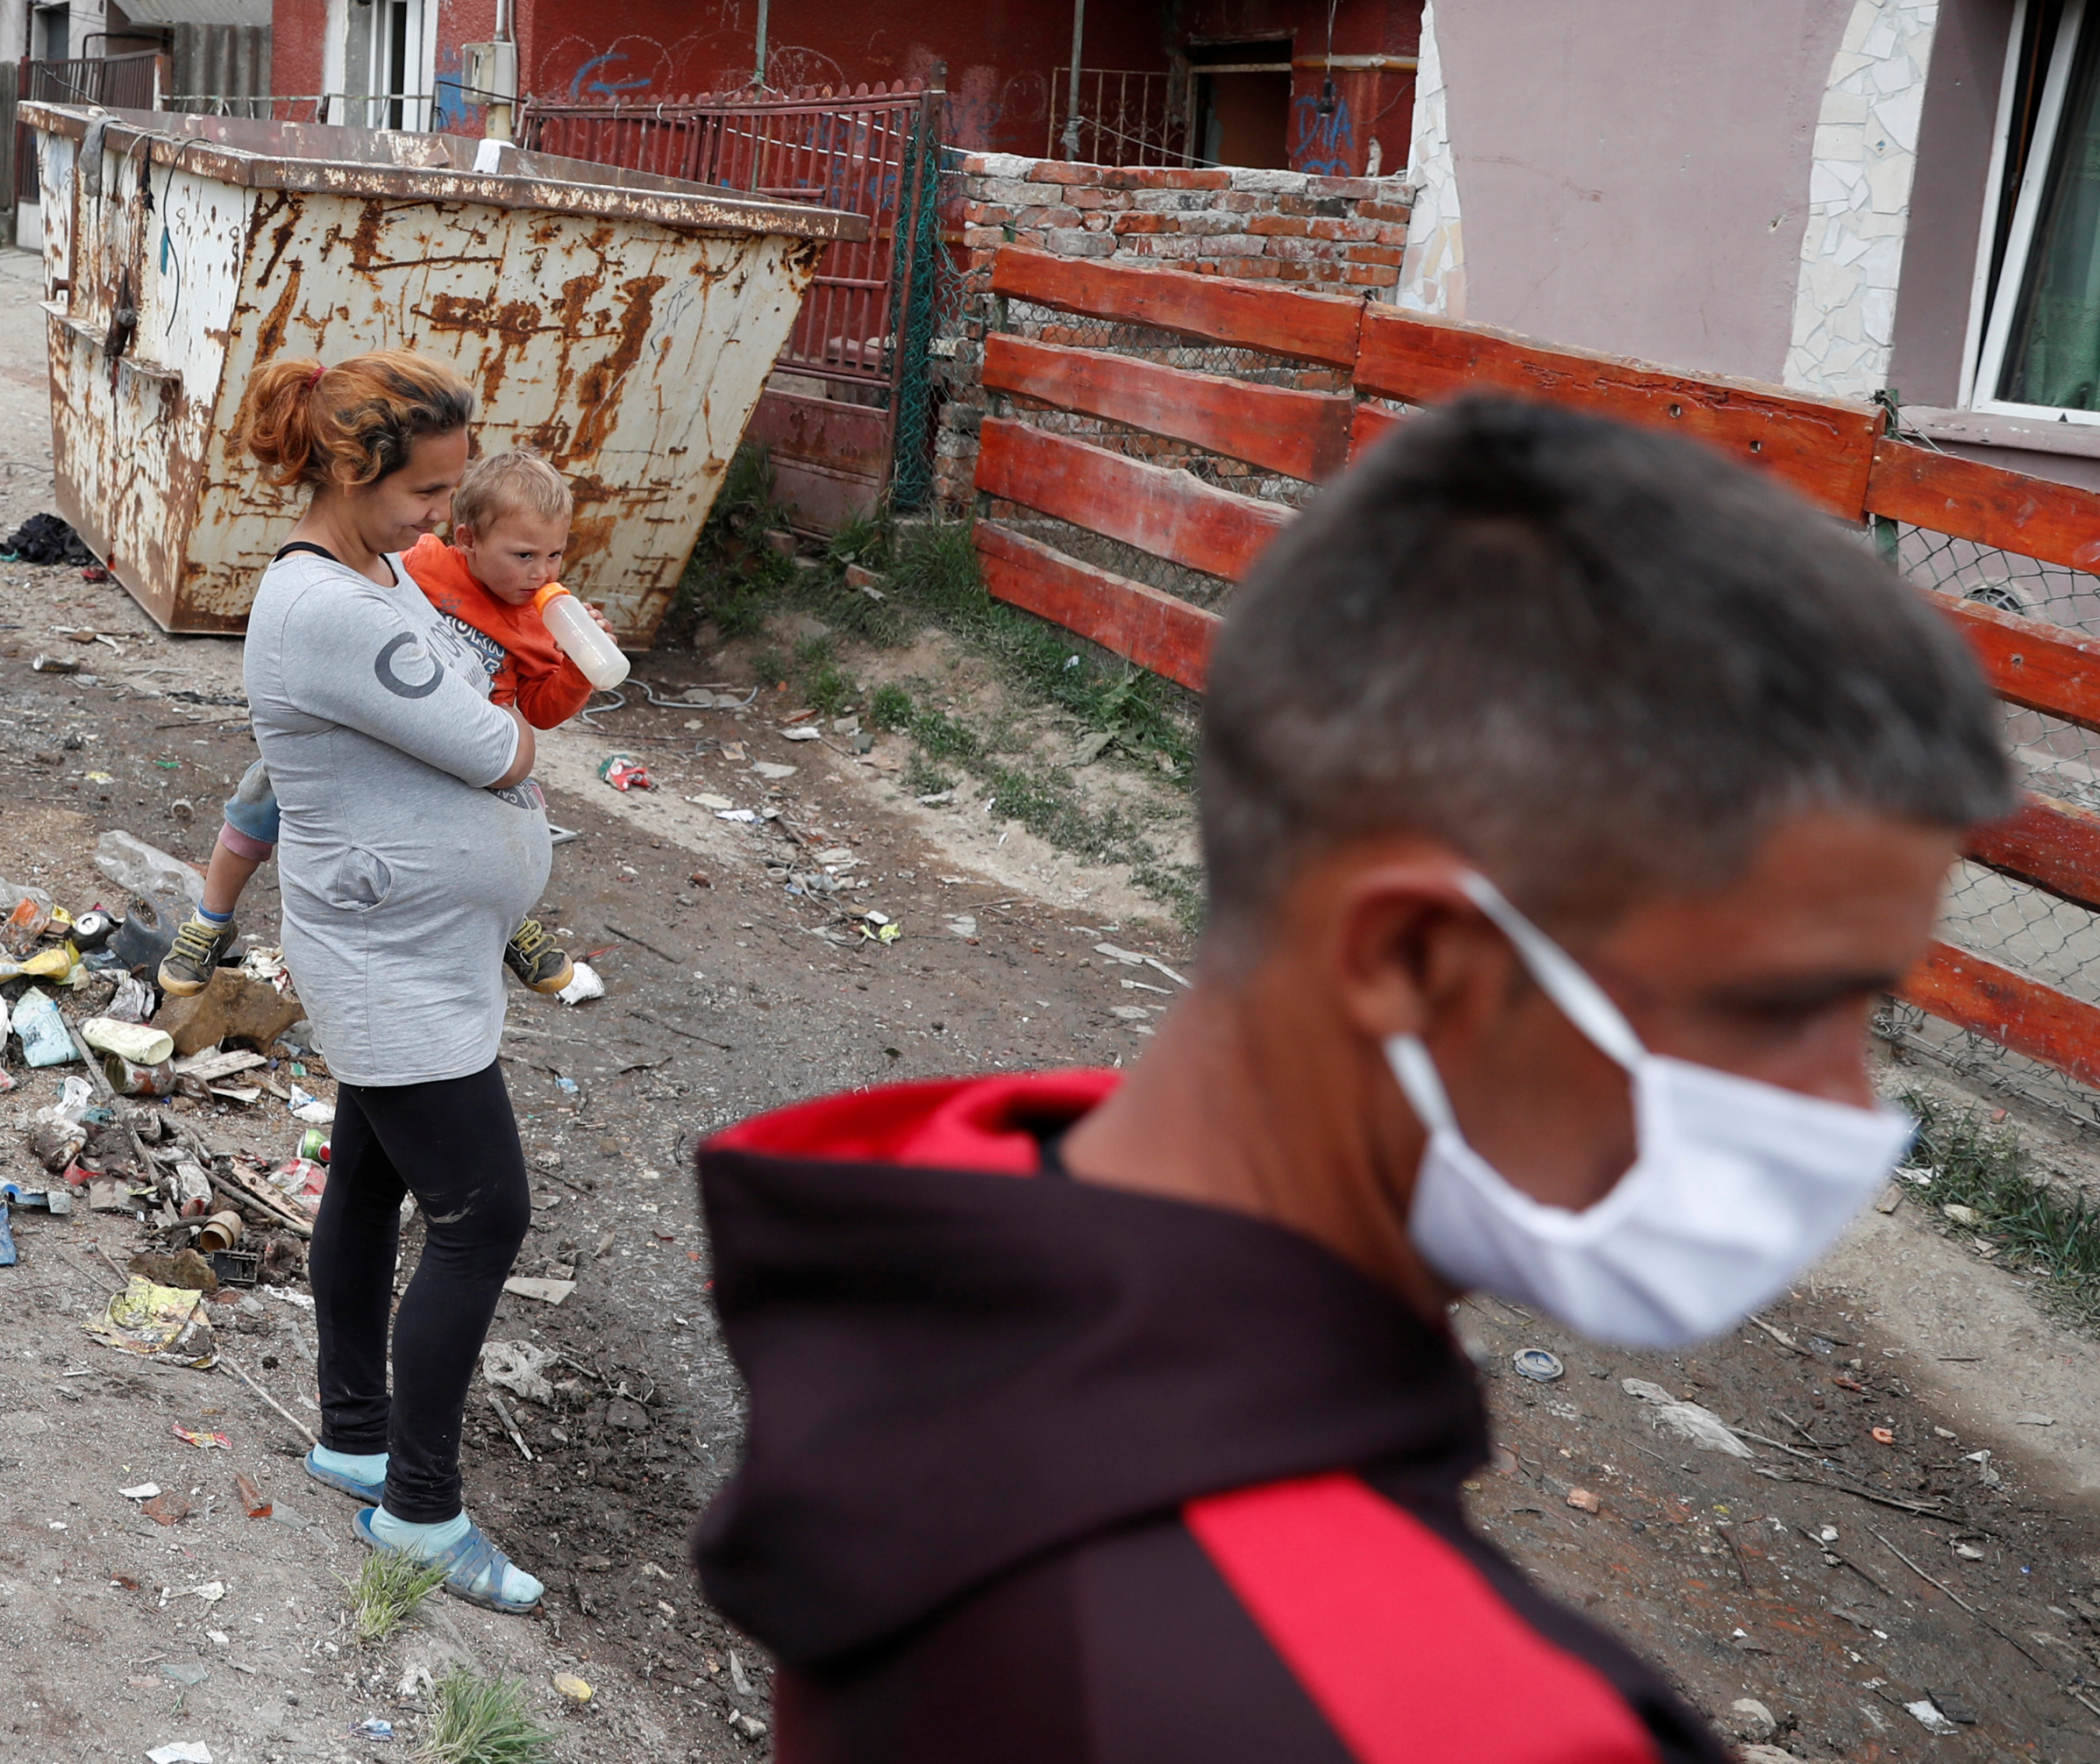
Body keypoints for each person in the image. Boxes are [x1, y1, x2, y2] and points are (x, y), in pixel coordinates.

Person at [694, 395, 2011, 1759]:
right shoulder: (1445, 1723)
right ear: (1419, 957)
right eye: (1787, 1001)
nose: (1852, 1113)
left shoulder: (940, 1288)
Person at [239, 349, 553, 1614]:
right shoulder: (326, 607)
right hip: (389, 960)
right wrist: (527, 737)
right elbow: (489, 736)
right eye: (430, 489)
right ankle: (418, 1509)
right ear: (356, 469)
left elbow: (471, 683)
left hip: (413, 948)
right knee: (483, 1216)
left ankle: (353, 1434)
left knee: (371, 1184)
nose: (443, 513)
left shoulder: (373, 575)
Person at [160, 445, 605, 1004]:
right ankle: (210, 918)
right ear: (466, 540)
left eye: (555, 555)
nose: (542, 573)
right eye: (523, 556)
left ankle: (509, 923)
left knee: (488, 832)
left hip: (464, 751)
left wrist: (578, 668)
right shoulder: (417, 561)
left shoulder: (539, 622)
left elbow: (540, 710)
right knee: (259, 801)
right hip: (360, 737)